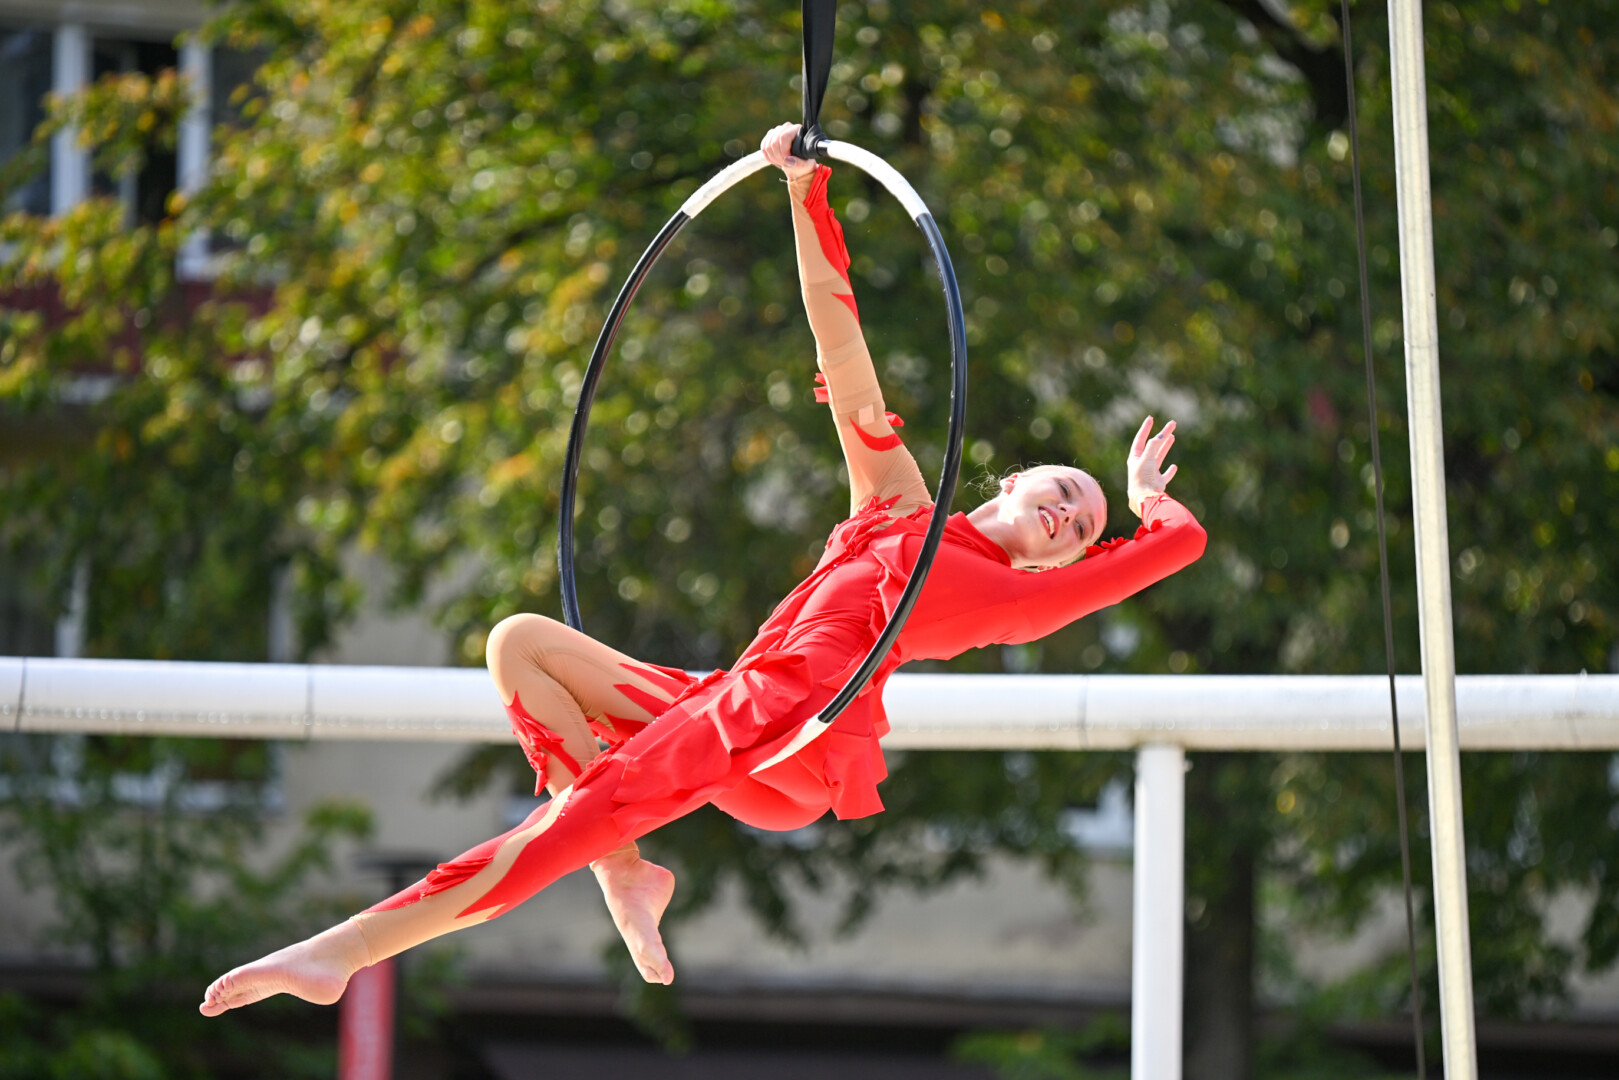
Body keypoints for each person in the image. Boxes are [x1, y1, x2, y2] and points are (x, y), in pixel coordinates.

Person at [199, 122, 1205, 1015]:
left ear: (1062, 554)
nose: (1070, 514)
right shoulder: (897, 501)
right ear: (1015, 478)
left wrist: (1146, 508)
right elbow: (838, 338)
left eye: (1082, 527)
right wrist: (803, 193)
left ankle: (345, 951)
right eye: (1064, 489)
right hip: (739, 699)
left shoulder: (1007, 598)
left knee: (569, 820)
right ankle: (626, 874)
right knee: (522, 646)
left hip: (787, 736)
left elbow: (1177, 547)